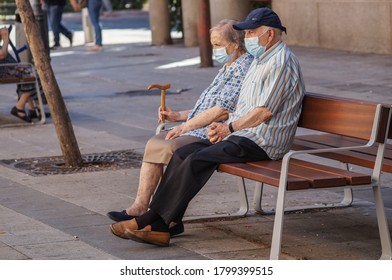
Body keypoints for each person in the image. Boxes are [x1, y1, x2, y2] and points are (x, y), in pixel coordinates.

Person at [109, 8, 306, 247]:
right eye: (247, 33)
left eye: (252, 32)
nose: (248, 38)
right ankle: (166, 223)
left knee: (197, 160)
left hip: (264, 140)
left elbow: (263, 112)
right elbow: (243, 105)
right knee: (182, 154)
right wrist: (223, 127)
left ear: (271, 34)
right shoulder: (261, 60)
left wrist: (228, 128)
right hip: (244, 134)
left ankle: (152, 222)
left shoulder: (280, 62)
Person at [107, 19, 253, 236]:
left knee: (167, 147)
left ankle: (163, 217)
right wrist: (178, 116)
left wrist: (184, 127)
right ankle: (144, 208)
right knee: (156, 143)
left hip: (213, 131)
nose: (215, 50)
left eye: (217, 45)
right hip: (199, 126)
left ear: (235, 44)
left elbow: (222, 111)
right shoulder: (228, 66)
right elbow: (204, 107)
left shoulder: (243, 67)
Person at [0, 27, 41, 122]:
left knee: (27, 72)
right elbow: (2, 54)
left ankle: (32, 109)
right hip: (5, 71)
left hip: (9, 69)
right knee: (34, 75)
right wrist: (5, 38)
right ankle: (19, 107)